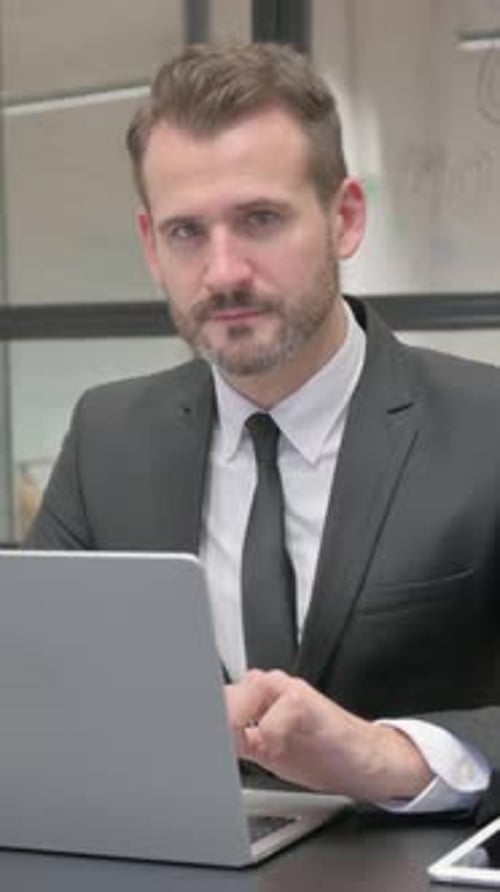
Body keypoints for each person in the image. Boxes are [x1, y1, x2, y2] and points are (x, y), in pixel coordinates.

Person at [25, 42, 500, 822]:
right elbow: (40, 689)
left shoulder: (486, 429)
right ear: (150, 246)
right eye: (186, 233)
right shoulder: (108, 434)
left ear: (344, 218)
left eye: (260, 219)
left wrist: (388, 755)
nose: (223, 273)